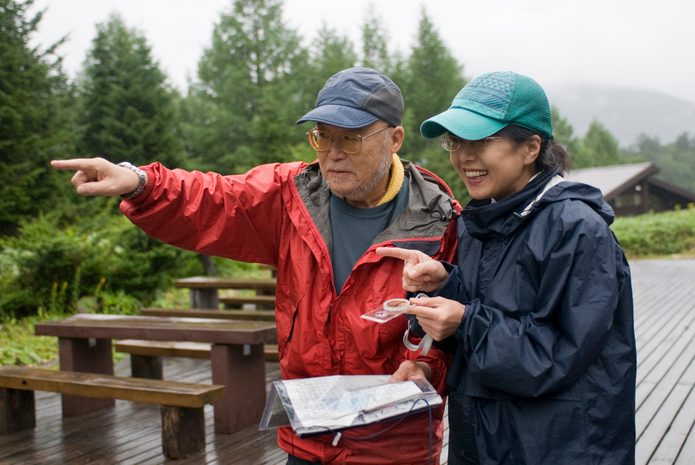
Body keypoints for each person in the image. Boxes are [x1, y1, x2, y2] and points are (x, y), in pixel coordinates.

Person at [52, 67, 460, 465]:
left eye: (351, 139)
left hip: (390, 447)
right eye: (323, 138)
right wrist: (141, 183)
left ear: (395, 139)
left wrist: (428, 367)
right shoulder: (292, 196)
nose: (333, 155)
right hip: (307, 440)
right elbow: (214, 199)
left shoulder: (442, 223)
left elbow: (466, 327)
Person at [377, 71, 636, 465]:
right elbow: (502, 310)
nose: (463, 156)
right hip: (485, 439)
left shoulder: (576, 229)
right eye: (456, 141)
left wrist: (465, 322)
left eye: (481, 140)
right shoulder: (481, 221)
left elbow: (555, 355)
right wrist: (446, 284)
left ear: (531, 147)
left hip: (560, 446)